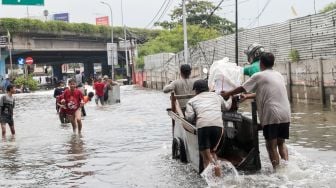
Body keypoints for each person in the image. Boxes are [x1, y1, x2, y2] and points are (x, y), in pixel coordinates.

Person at [221, 52, 291, 170]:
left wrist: (227, 93)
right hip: (286, 114)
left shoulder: (259, 75)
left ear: (261, 64)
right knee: (281, 143)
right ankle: (287, 167)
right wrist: (247, 97)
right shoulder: (278, 75)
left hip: (272, 115)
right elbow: (266, 92)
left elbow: (242, 88)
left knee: (271, 145)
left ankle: (278, 172)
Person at [185, 79, 230, 177]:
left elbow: (189, 117)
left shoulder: (192, 101)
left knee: (206, 158)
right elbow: (226, 107)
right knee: (213, 153)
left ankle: (214, 182)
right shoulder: (217, 96)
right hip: (219, 128)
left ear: (196, 90)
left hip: (203, 127)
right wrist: (230, 97)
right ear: (208, 88)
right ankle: (219, 178)